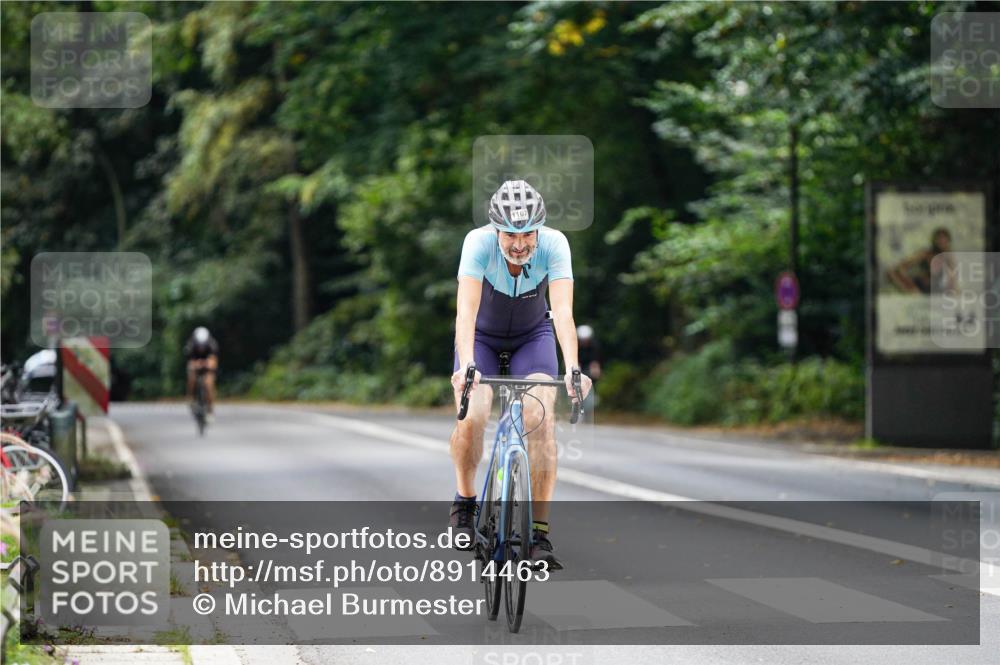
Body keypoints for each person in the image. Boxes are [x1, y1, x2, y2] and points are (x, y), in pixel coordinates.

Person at [448, 179, 592, 571]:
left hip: (533, 336)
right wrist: (466, 366)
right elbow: (466, 313)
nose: (519, 243)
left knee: (540, 418)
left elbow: (562, 313)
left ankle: (539, 534)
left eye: (528, 232)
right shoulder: (477, 244)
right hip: (481, 338)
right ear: (496, 229)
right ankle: (464, 503)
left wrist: (574, 368)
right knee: (473, 414)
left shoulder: (555, 245)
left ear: (539, 229)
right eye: (511, 233)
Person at [184, 326, 219, 420]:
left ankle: (210, 411)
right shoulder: (191, 345)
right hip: (196, 366)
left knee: (209, 384)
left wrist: (207, 364)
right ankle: (191, 398)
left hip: (207, 367)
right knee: (191, 377)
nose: (201, 347)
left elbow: (214, 361)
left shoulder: (212, 344)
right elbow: (189, 362)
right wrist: (196, 364)